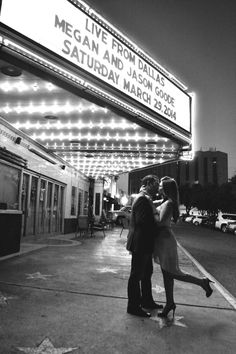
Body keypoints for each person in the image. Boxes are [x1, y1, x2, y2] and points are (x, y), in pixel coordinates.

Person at [153, 176, 214, 318]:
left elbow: (161, 222)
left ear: (166, 188)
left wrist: (151, 217)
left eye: (161, 185)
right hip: (162, 240)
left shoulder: (169, 203)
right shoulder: (165, 201)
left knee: (173, 272)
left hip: (166, 241)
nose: (159, 187)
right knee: (166, 273)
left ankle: (202, 282)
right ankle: (170, 303)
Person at [126, 175, 163, 317]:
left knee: (147, 273)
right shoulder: (142, 198)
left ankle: (147, 301)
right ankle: (133, 306)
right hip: (140, 243)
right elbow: (142, 221)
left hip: (144, 243)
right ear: (147, 183)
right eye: (155, 184)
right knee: (136, 275)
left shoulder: (145, 198)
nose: (157, 187)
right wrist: (158, 224)